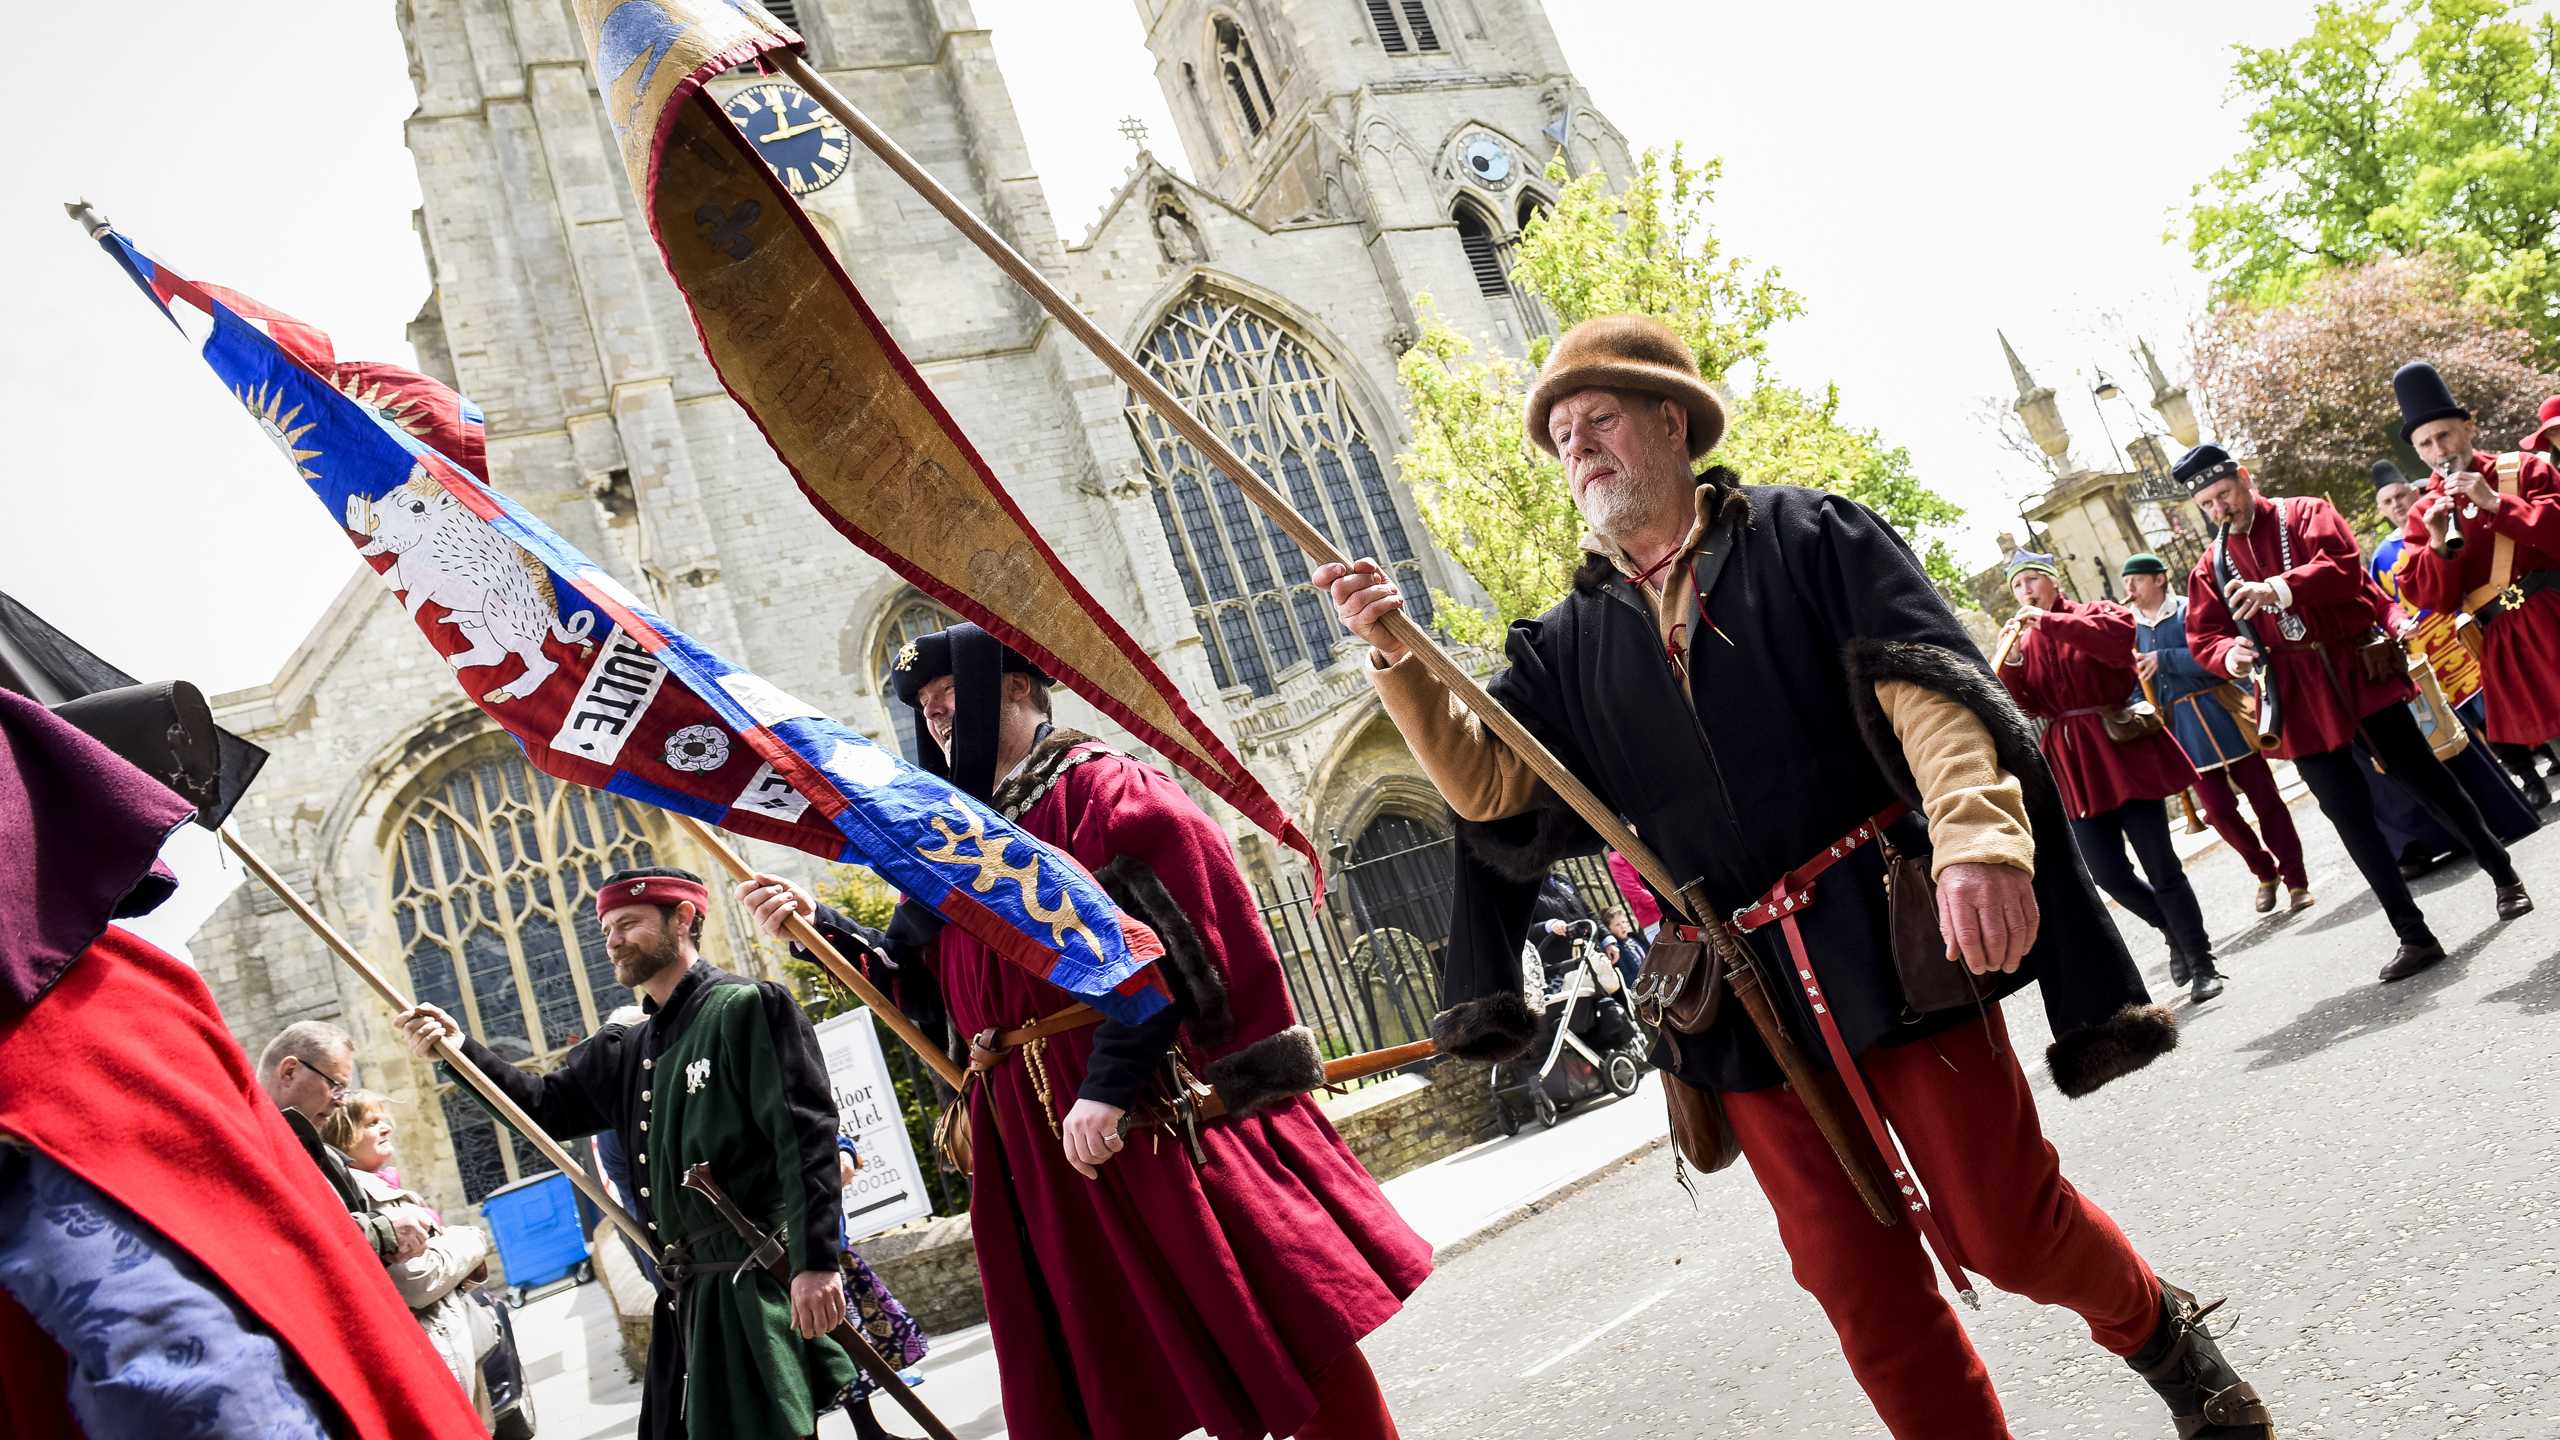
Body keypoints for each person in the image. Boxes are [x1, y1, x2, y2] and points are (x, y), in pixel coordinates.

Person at [1318, 313, 2269, 1439]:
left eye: (1598, 421)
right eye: (1560, 436)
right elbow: (1487, 789)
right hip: (1734, 996)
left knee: (2002, 1229)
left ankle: (2159, 1332)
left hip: (1889, 937)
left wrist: (1973, 839)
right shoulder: (1565, 642)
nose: (1576, 449)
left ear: (1670, 423)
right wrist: (1395, 656)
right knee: (1854, 1282)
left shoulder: (1809, 537)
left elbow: (1926, 689)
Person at [734, 622, 1431, 1440]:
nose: (938, 718)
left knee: (1270, 1328)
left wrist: (1108, 1087)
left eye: (951, 696)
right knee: (1113, 1375)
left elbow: (1179, 952)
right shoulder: (948, 841)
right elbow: (931, 998)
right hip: (1030, 1141)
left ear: (1017, 690)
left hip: (1140, 1113)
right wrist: (821, 929)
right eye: (925, 707)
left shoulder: (1105, 791)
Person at [393, 868, 861, 1440]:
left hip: (754, 1279)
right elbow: (543, 1106)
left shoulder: (746, 1007)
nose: (612, 939)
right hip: (689, 1296)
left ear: (683, 919)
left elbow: (806, 1137)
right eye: (607, 928)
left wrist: (817, 1261)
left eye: (629, 924)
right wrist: (459, 1052)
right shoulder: (627, 1047)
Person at [2177, 442, 2532, 986]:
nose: (2220, 510)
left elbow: (2344, 572)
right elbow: (2202, 633)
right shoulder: (2211, 563)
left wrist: (2276, 589)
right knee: (2347, 816)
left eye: (2223, 494)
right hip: (2295, 693)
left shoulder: (2306, 513)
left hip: (2352, 668)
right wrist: (2229, 652)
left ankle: (2504, 875)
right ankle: (2413, 935)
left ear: (2245, 479)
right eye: (2208, 505)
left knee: (2427, 781)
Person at [1997, 553, 2228, 1001]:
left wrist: (2049, 623)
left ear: (2053, 582)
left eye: (2032, 580)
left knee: (2161, 865)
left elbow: (2119, 642)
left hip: (2121, 753)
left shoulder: (2094, 612)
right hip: (2072, 763)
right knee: (2107, 874)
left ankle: (2202, 961)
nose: (2026, 590)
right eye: (2018, 585)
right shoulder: (2025, 640)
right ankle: (2170, 928)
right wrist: (2013, 665)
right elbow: (2023, 705)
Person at [2388, 361, 2560, 797]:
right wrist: (2437, 547)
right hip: (2505, 638)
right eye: (2425, 444)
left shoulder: (2520, 470)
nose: (2438, 450)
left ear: (2468, 427)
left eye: (2444, 435)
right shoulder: (2420, 513)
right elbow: (2430, 598)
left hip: (2553, 611)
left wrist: (2495, 503)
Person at [2122, 551, 2312, 916]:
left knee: (2266, 801)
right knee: (2219, 811)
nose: (2129, 588)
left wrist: (2164, 659)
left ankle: (2296, 879)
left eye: (2137, 579)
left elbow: (2217, 657)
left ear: (2159, 579)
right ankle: (2264, 871)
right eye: (2126, 581)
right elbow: (2132, 682)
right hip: (2181, 729)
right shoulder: (2130, 629)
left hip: (2223, 710)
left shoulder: (2189, 610)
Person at [322, 1091, 500, 1424]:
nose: (386, 1128)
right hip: (438, 1352)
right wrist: (472, 1240)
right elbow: (417, 1280)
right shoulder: (367, 1195)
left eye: (383, 1120)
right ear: (342, 1137)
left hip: (454, 1343)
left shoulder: (385, 1185)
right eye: (371, 1123)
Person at [257, 1022, 436, 1269]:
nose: (341, 1102)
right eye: (335, 1086)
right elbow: (292, 1240)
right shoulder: (250, 1143)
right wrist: (384, 1230)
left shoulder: (324, 1154)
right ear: (289, 1071)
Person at [832, 1136, 929, 1440]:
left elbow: (819, 1120)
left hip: (827, 1245)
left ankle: (870, 1432)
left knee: (848, 1346)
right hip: (776, 1248)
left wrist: (844, 1151)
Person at [1603, 906, 1650, 990]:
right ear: (1609, 929)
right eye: (1617, 924)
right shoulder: (1616, 949)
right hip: (1639, 987)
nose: (1622, 926)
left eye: (1624, 922)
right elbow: (1626, 976)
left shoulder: (1636, 938)